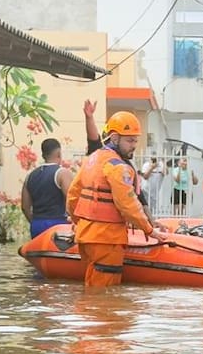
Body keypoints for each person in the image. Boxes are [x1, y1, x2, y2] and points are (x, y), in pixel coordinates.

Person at [67, 111, 169, 288]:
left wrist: (78, 223)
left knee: (92, 286)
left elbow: (73, 195)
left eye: (135, 141)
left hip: (86, 235)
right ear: (114, 138)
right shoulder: (118, 167)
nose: (134, 145)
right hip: (107, 238)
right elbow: (128, 205)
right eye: (130, 141)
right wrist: (149, 230)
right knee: (104, 293)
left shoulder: (91, 159)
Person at [20, 137, 74, 238]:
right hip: (59, 225)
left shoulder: (30, 176)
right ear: (59, 154)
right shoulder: (62, 174)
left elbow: (24, 207)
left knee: (39, 249)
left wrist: (34, 222)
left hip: (37, 224)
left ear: (43, 155)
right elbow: (72, 201)